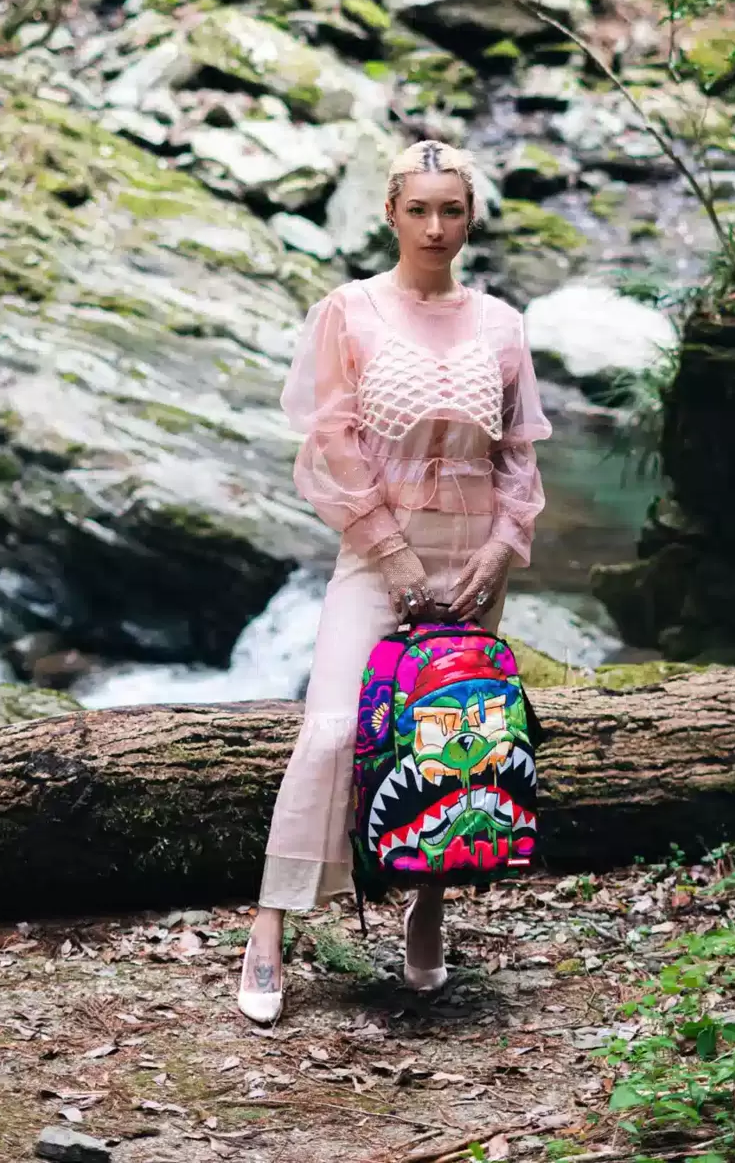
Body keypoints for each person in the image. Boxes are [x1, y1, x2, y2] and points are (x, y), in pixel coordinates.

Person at [238, 139, 552, 1024]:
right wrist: (392, 552)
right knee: (332, 730)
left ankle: (428, 910)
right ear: (390, 214)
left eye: (452, 210)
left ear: (471, 216)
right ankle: (270, 926)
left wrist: (500, 550)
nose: (435, 227)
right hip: (380, 557)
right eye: (419, 210)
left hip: (474, 561)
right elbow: (332, 447)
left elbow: (518, 456)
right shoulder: (352, 310)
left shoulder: (502, 323)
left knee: (457, 738)